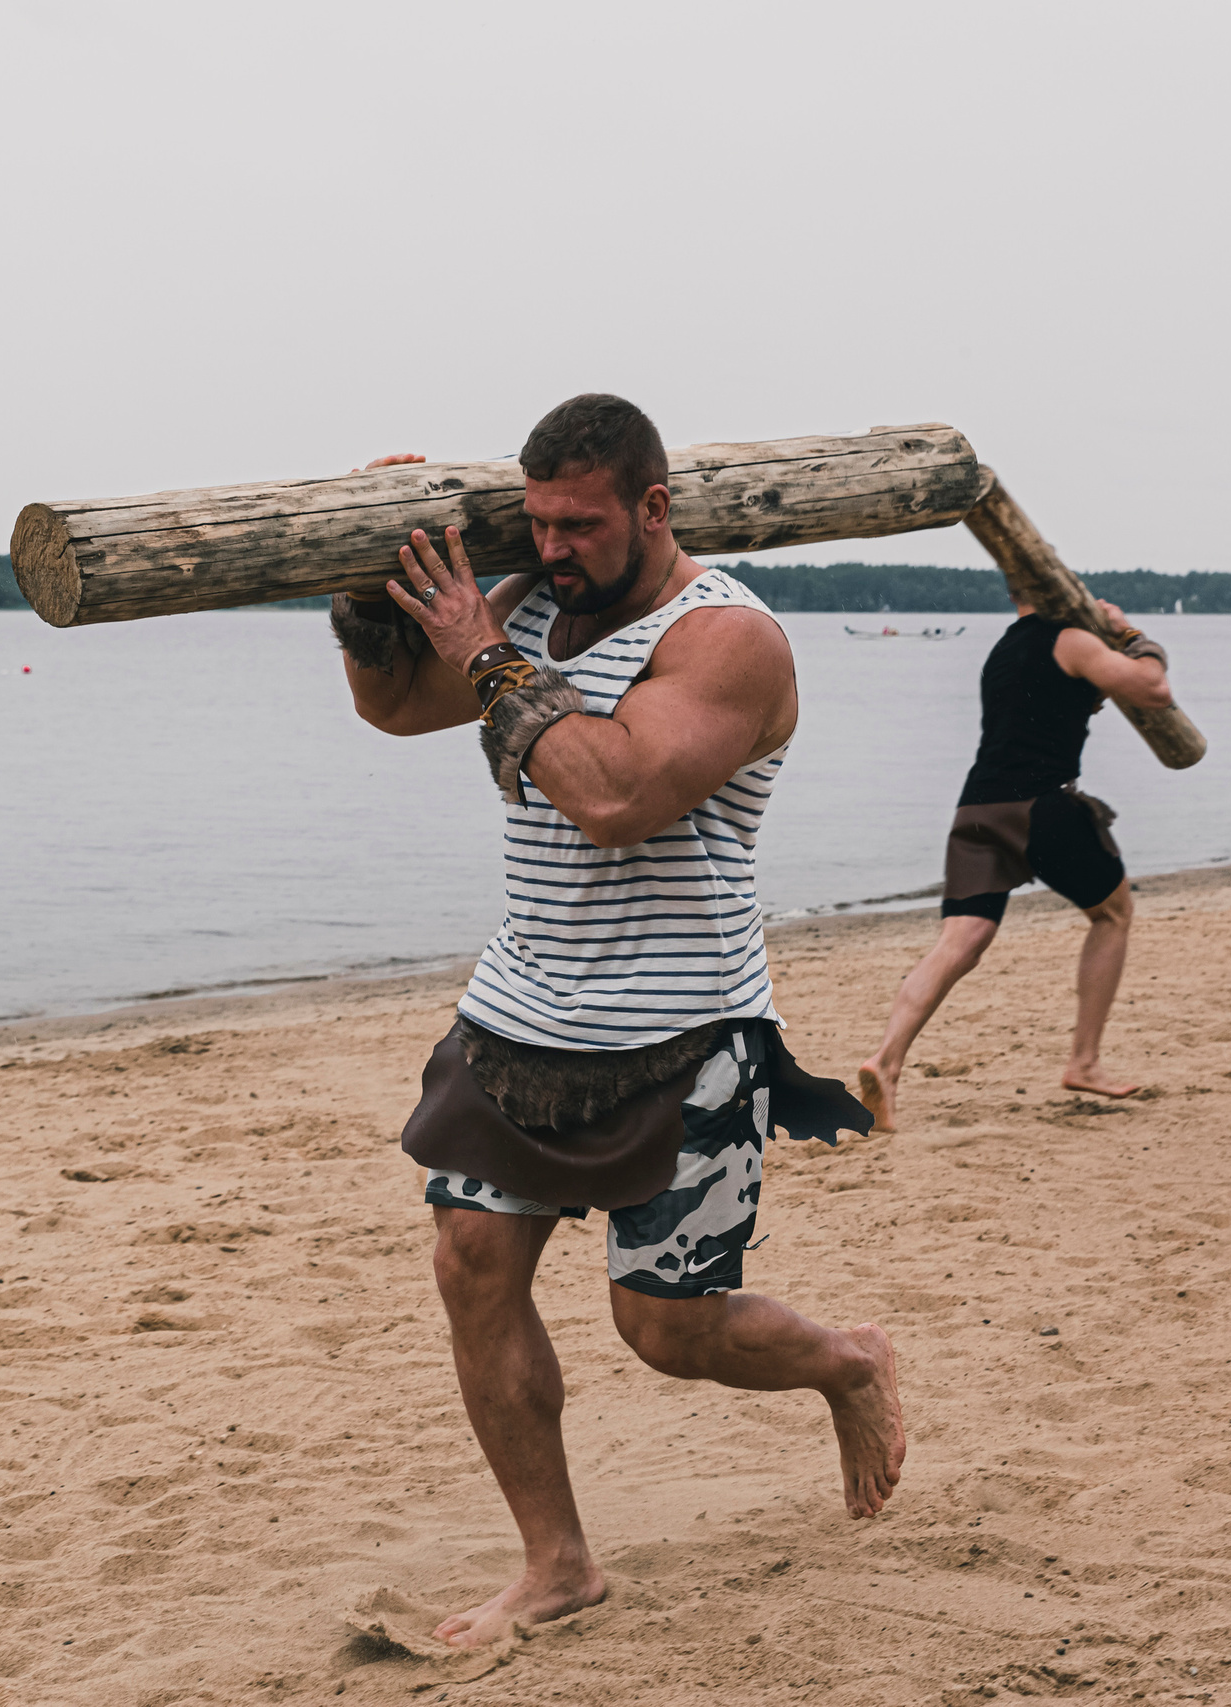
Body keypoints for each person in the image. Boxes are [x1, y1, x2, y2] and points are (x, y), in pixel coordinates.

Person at [332, 394, 903, 1651]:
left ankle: (846, 1363)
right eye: (534, 526)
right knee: (468, 1269)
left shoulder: (727, 640)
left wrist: (486, 651)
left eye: (579, 527)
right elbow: (390, 707)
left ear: (652, 507)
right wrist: (369, 589)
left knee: (669, 1331)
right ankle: (558, 1564)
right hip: (521, 1010)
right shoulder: (532, 612)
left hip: (684, 1032)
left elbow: (618, 795)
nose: (552, 551)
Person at [850, 590, 1173, 1130]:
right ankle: (1085, 1061)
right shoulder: (1071, 640)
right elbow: (1153, 689)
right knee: (1113, 915)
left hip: (976, 810)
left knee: (959, 942)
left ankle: (886, 1061)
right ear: (1057, 589)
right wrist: (1134, 636)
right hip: (1041, 805)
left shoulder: (1002, 651)